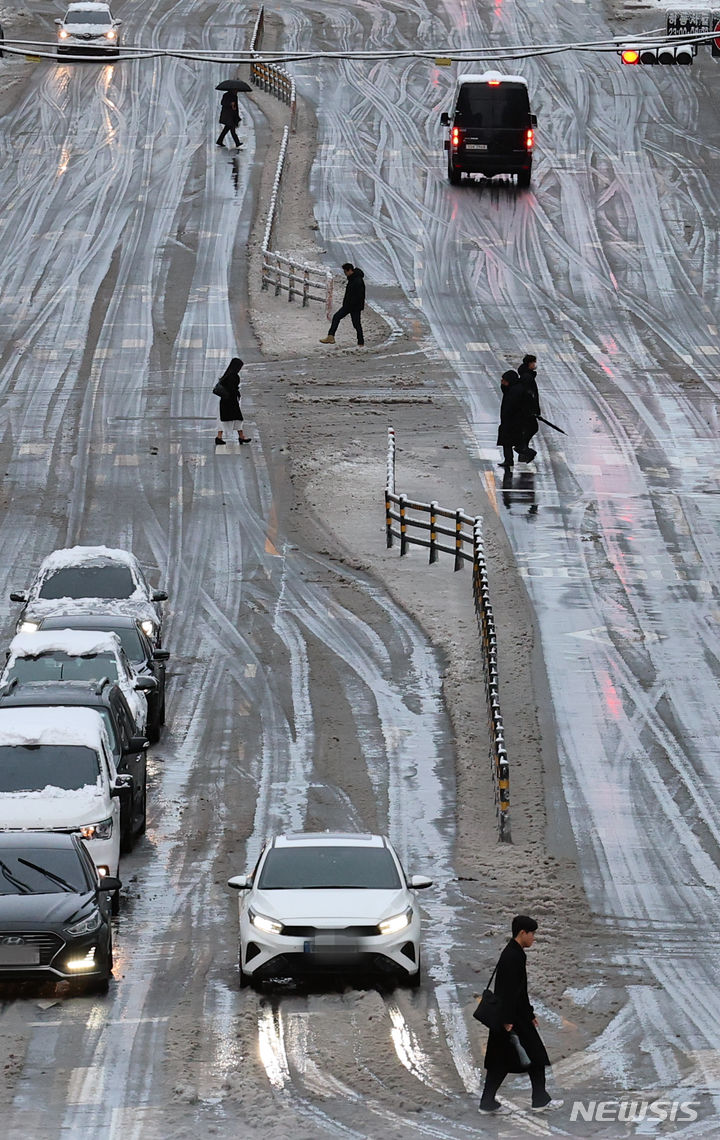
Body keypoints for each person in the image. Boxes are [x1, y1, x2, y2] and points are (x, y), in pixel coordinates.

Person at [479, 915, 562, 1114]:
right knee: (533, 1056)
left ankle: (489, 1102)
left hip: (513, 1016)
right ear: (522, 933)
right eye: (532, 933)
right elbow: (508, 991)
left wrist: (529, 1013)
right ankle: (538, 1100)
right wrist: (508, 1021)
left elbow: (518, 990)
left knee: (503, 1062)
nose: (534, 937)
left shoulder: (513, 952)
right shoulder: (513, 956)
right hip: (511, 1019)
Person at [320, 263, 365, 346]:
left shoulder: (357, 281)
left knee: (356, 324)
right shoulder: (353, 278)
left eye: (345, 271)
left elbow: (359, 295)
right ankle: (331, 336)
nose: (345, 273)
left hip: (353, 306)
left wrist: (351, 305)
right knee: (337, 318)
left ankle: (361, 342)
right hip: (349, 305)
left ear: (349, 270)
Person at [215, 358, 251, 445]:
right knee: (238, 419)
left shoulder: (226, 375)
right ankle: (241, 436)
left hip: (224, 401)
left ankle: (219, 437)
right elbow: (232, 389)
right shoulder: (234, 376)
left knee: (222, 419)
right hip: (231, 402)